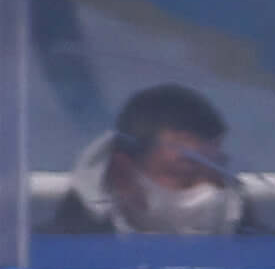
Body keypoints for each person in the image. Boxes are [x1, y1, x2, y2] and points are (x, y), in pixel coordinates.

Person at [54, 82, 254, 237]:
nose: (209, 191)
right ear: (121, 175)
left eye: (216, 173)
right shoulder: (52, 266)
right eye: (184, 175)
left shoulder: (268, 264)